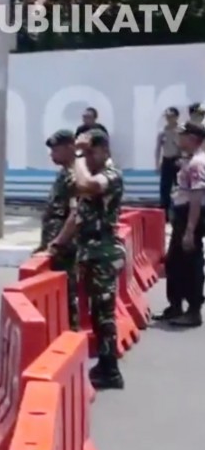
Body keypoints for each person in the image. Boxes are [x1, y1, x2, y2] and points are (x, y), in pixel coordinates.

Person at [70, 129, 126, 389]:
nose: (88, 158)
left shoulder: (111, 175)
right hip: (91, 251)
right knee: (96, 312)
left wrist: (78, 156)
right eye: (86, 153)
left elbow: (86, 186)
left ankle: (110, 368)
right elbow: (79, 212)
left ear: (105, 151)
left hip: (104, 252)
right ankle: (104, 363)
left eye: (92, 153)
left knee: (104, 313)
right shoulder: (94, 174)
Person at [156, 122, 205, 327]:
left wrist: (190, 230)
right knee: (175, 262)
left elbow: (196, 197)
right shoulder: (192, 160)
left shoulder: (197, 163)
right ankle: (175, 306)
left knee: (189, 263)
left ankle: (193, 310)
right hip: (184, 214)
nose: (179, 139)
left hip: (190, 216)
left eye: (183, 136)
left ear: (193, 138)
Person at [39, 129, 79, 330]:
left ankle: (70, 333)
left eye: (56, 149)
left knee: (66, 291)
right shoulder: (65, 173)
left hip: (64, 247)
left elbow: (75, 214)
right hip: (55, 244)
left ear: (70, 148)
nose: (52, 154)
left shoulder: (74, 175)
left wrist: (59, 241)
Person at [156, 108, 182, 222]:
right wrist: (157, 162)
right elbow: (158, 148)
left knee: (179, 188)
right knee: (164, 188)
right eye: (166, 116)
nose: (168, 118)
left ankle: (179, 214)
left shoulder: (181, 130)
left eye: (171, 116)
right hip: (166, 160)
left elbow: (184, 146)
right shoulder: (162, 131)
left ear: (176, 117)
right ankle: (164, 216)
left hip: (177, 161)